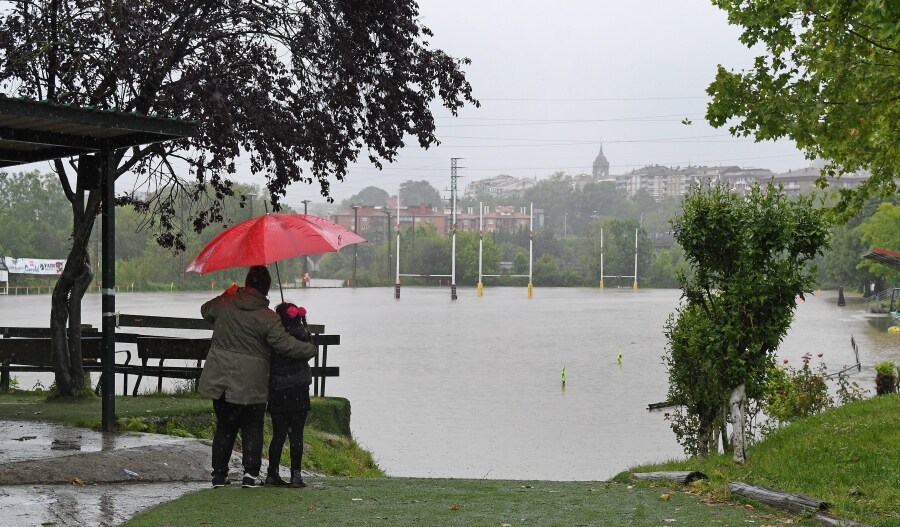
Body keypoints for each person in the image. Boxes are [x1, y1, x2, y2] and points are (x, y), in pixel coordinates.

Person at [198, 265, 317, 488]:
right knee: (252, 424)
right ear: (267, 288)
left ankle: (219, 475)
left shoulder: (225, 304)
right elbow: (285, 345)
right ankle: (250, 474)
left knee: (225, 425)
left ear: (247, 282)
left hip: (220, 379)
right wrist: (309, 350)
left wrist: (226, 294)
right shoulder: (268, 318)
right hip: (251, 382)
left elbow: (205, 310)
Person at [266, 302, 314, 488]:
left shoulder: (275, 337)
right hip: (299, 390)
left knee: (278, 435)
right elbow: (310, 351)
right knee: (297, 435)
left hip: (279, 390)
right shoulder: (304, 337)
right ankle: (296, 475)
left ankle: (272, 473)